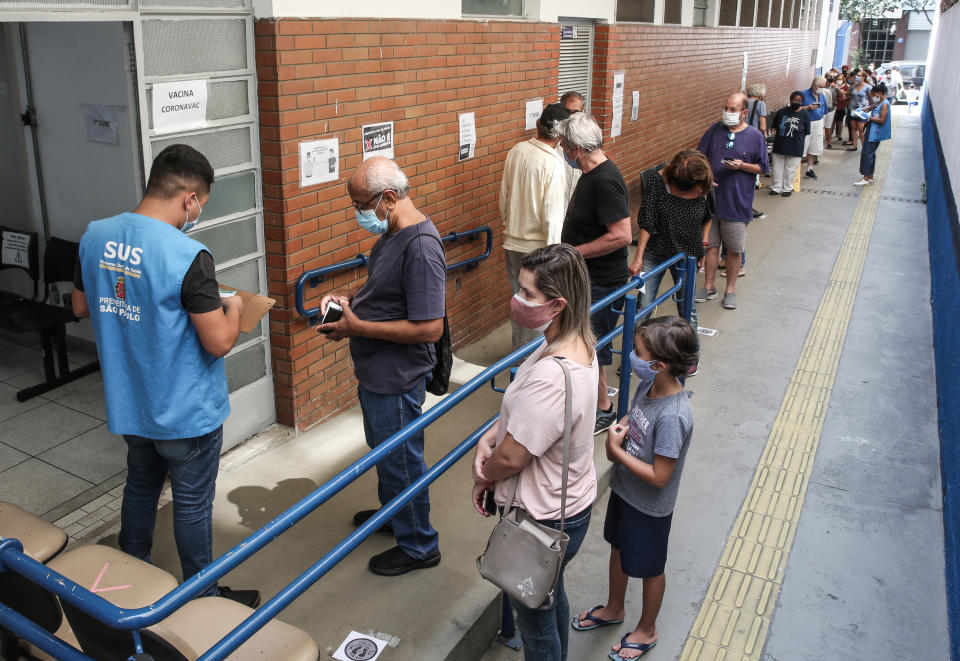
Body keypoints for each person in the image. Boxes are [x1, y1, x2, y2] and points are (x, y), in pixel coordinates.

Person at [72, 145, 259, 608]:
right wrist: (233, 308)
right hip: (184, 410)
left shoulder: (96, 236)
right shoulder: (189, 255)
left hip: (130, 401)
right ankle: (203, 594)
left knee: (140, 485)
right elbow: (217, 341)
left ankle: (131, 574)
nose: (196, 214)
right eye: (201, 206)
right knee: (192, 503)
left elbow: (79, 307)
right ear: (190, 198)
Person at [317, 156, 446, 576]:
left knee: (402, 459)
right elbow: (383, 290)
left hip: (397, 377)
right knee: (386, 453)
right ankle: (397, 515)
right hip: (377, 373)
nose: (358, 213)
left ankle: (419, 544)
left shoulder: (422, 247)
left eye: (360, 205)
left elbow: (429, 328)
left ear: (388, 198)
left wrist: (359, 327)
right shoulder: (390, 235)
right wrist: (348, 300)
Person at [472, 243, 598, 661]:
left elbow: (512, 458)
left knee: (535, 622)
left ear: (558, 303)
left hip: (541, 521)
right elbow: (530, 418)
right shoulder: (575, 342)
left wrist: (485, 474)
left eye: (528, 294)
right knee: (549, 594)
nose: (518, 299)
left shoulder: (552, 374)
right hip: (570, 506)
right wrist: (492, 434)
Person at [572, 316, 697, 661]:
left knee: (650, 566)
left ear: (658, 365)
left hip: (649, 507)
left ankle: (647, 628)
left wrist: (615, 454)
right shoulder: (648, 386)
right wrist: (621, 428)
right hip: (626, 493)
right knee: (619, 549)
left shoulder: (673, 416)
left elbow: (660, 476)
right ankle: (615, 607)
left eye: (638, 353)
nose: (632, 356)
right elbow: (634, 417)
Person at [559, 112, 633, 433]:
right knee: (588, 342)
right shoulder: (591, 176)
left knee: (593, 345)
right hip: (589, 279)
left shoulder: (604, 180)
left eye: (564, 144)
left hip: (601, 282)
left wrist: (576, 251)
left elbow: (621, 235)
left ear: (576, 149)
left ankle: (603, 409)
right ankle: (596, 402)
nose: (562, 149)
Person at [629, 149, 713, 375]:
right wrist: (638, 258)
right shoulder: (659, 182)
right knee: (643, 306)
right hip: (656, 250)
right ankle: (637, 355)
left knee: (687, 307)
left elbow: (708, 217)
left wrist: (703, 245)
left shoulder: (704, 186)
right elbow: (648, 222)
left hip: (688, 254)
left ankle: (689, 356)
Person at [500, 102, 572, 349]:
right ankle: (528, 363)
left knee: (519, 302)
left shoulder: (517, 150)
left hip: (512, 241)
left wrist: (509, 224)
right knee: (539, 307)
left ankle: (516, 356)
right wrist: (555, 256)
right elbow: (552, 216)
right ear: (561, 134)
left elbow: (504, 197)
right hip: (541, 249)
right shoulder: (553, 164)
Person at [694, 92, 769, 311]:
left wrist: (742, 166)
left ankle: (730, 290)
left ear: (745, 113)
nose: (728, 113)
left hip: (737, 202)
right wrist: (705, 178)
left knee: (734, 250)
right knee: (710, 246)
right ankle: (708, 286)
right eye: (726, 108)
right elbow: (700, 155)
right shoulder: (715, 130)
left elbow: (763, 167)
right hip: (712, 200)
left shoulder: (755, 136)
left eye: (733, 110)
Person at [768, 91, 811, 197]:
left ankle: (788, 188)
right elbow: (775, 127)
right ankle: (776, 187)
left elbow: (807, 131)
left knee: (791, 169)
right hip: (780, 144)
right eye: (794, 100)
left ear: (802, 102)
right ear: (790, 100)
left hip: (796, 146)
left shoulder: (805, 114)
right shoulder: (781, 112)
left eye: (799, 101)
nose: (796, 102)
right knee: (777, 167)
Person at [854, 85, 891, 187]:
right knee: (870, 153)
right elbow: (871, 107)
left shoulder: (884, 105)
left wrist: (868, 117)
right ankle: (870, 176)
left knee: (867, 153)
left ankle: (865, 177)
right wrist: (863, 109)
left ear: (879, 93)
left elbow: (882, 120)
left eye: (874, 94)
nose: (873, 96)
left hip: (875, 132)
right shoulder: (879, 103)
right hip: (872, 129)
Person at [558, 91, 586, 207]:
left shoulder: (590, 142)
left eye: (576, 112)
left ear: (583, 112)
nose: (572, 116)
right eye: (568, 112)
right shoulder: (553, 144)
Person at [745, 83, 767, 221]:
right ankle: (749, 207)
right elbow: (763, 124)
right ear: (760, 95)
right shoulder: (760, 104)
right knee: (753, 174)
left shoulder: (743, 102)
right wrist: (764, 135)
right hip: (754, 139)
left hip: (741, 138)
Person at [800, 76, 828, 179]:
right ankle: (795, 170)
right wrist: (807, 108)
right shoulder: (803, 94)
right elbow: (794, 108)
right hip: (806, 123)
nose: (822, 88)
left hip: (818, 122)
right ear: (814, 85)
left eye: (823, 86)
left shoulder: (822, 95)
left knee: (814, 147)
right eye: (820, 86)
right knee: (802, 147)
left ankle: (810, 169)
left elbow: (824, 109)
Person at [846, 71, 871, 151]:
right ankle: (854, 145)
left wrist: (869, 108)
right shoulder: (854, 86)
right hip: (853, 109)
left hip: (862, 110)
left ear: (864, 77)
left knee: (861, 128)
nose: (857, 77)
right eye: (857, 75)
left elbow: (871, 99)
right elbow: (849, 95)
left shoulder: (868, 87)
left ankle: (864, 147)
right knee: (854, 128)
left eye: (859, 75)